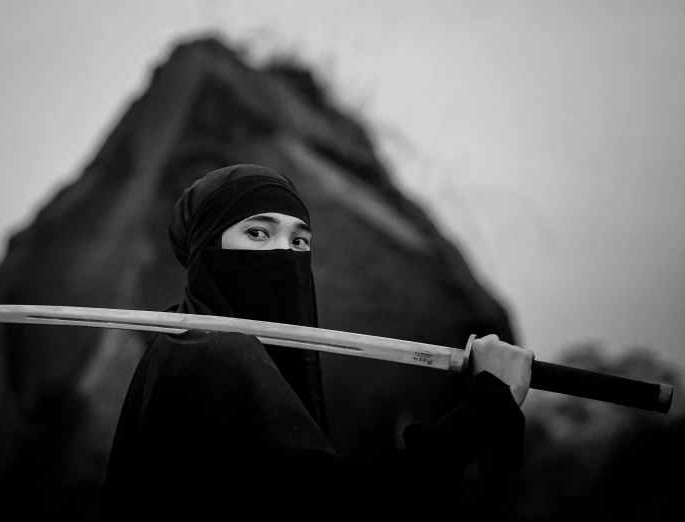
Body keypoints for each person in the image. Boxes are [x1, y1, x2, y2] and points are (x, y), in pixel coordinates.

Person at [98, 164, 534, 518]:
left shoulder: (177, 341)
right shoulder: (215, 352)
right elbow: (341, 513)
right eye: (257, 233)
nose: (285, 256)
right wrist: (484, 411)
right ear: (207, 249)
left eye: (299, 240)